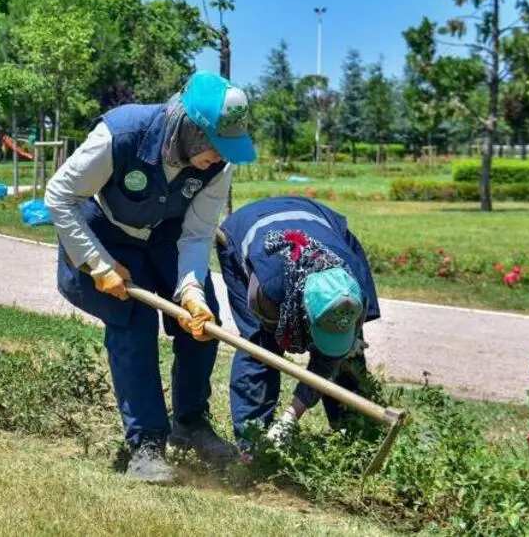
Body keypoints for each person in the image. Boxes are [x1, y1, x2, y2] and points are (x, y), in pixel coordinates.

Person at [45, 71, 257, 484]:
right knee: (134, 323)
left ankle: (191, 423)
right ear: (190, 129)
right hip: (106, 233)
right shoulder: (121, 135)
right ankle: (146, 445)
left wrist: (191, 292)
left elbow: (196, 236)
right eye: (215, 145)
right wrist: (97, 264)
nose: (219, 156)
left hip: (168, 237)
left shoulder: (218, 168)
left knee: (203, 323)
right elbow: (59, 195)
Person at [216, 196, 380, 445]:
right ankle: (253, 444)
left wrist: (290, 417)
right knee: (261, 347)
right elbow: (273, 340)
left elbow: (331, 357)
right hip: (246, 232)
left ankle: (355, 437)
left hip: (320, 222)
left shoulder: (355, 284)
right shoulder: (268, 290)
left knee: (347, 351)